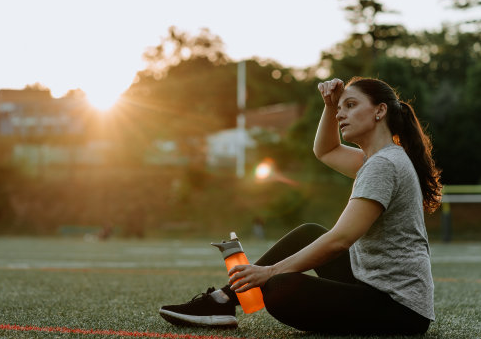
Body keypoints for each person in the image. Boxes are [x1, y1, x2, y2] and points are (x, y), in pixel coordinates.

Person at [159, 77, 441, 335]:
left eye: (350, 105)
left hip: (399, 308)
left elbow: (340, 240)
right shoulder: (377, 158)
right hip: (373, 286)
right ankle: (224, 300)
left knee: (279, 287)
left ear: (380, 111)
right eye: (340, 107)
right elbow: (326, 150)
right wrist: (329, 106)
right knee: (309, 232)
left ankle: (223, 300)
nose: (341, 113)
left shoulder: (383, 164)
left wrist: (269, 272)